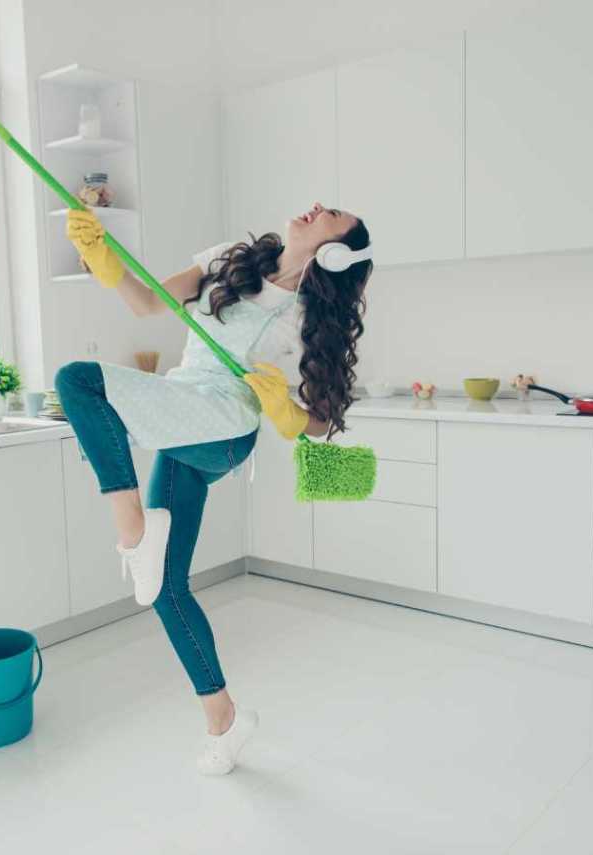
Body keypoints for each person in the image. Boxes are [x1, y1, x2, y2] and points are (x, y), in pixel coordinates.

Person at [54, 202, 373, 775]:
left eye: (334, 215)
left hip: (223, 428)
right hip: (184, 410)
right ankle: (224, 720)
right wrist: (105, 261)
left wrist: (286, 412)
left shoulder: (310, 320)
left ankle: (133, 530)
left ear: (337, 251)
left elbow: (322, 421)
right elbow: (146, 300)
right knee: (166, 587)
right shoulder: (232, 261)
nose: (317, 207)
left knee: (78, 380)